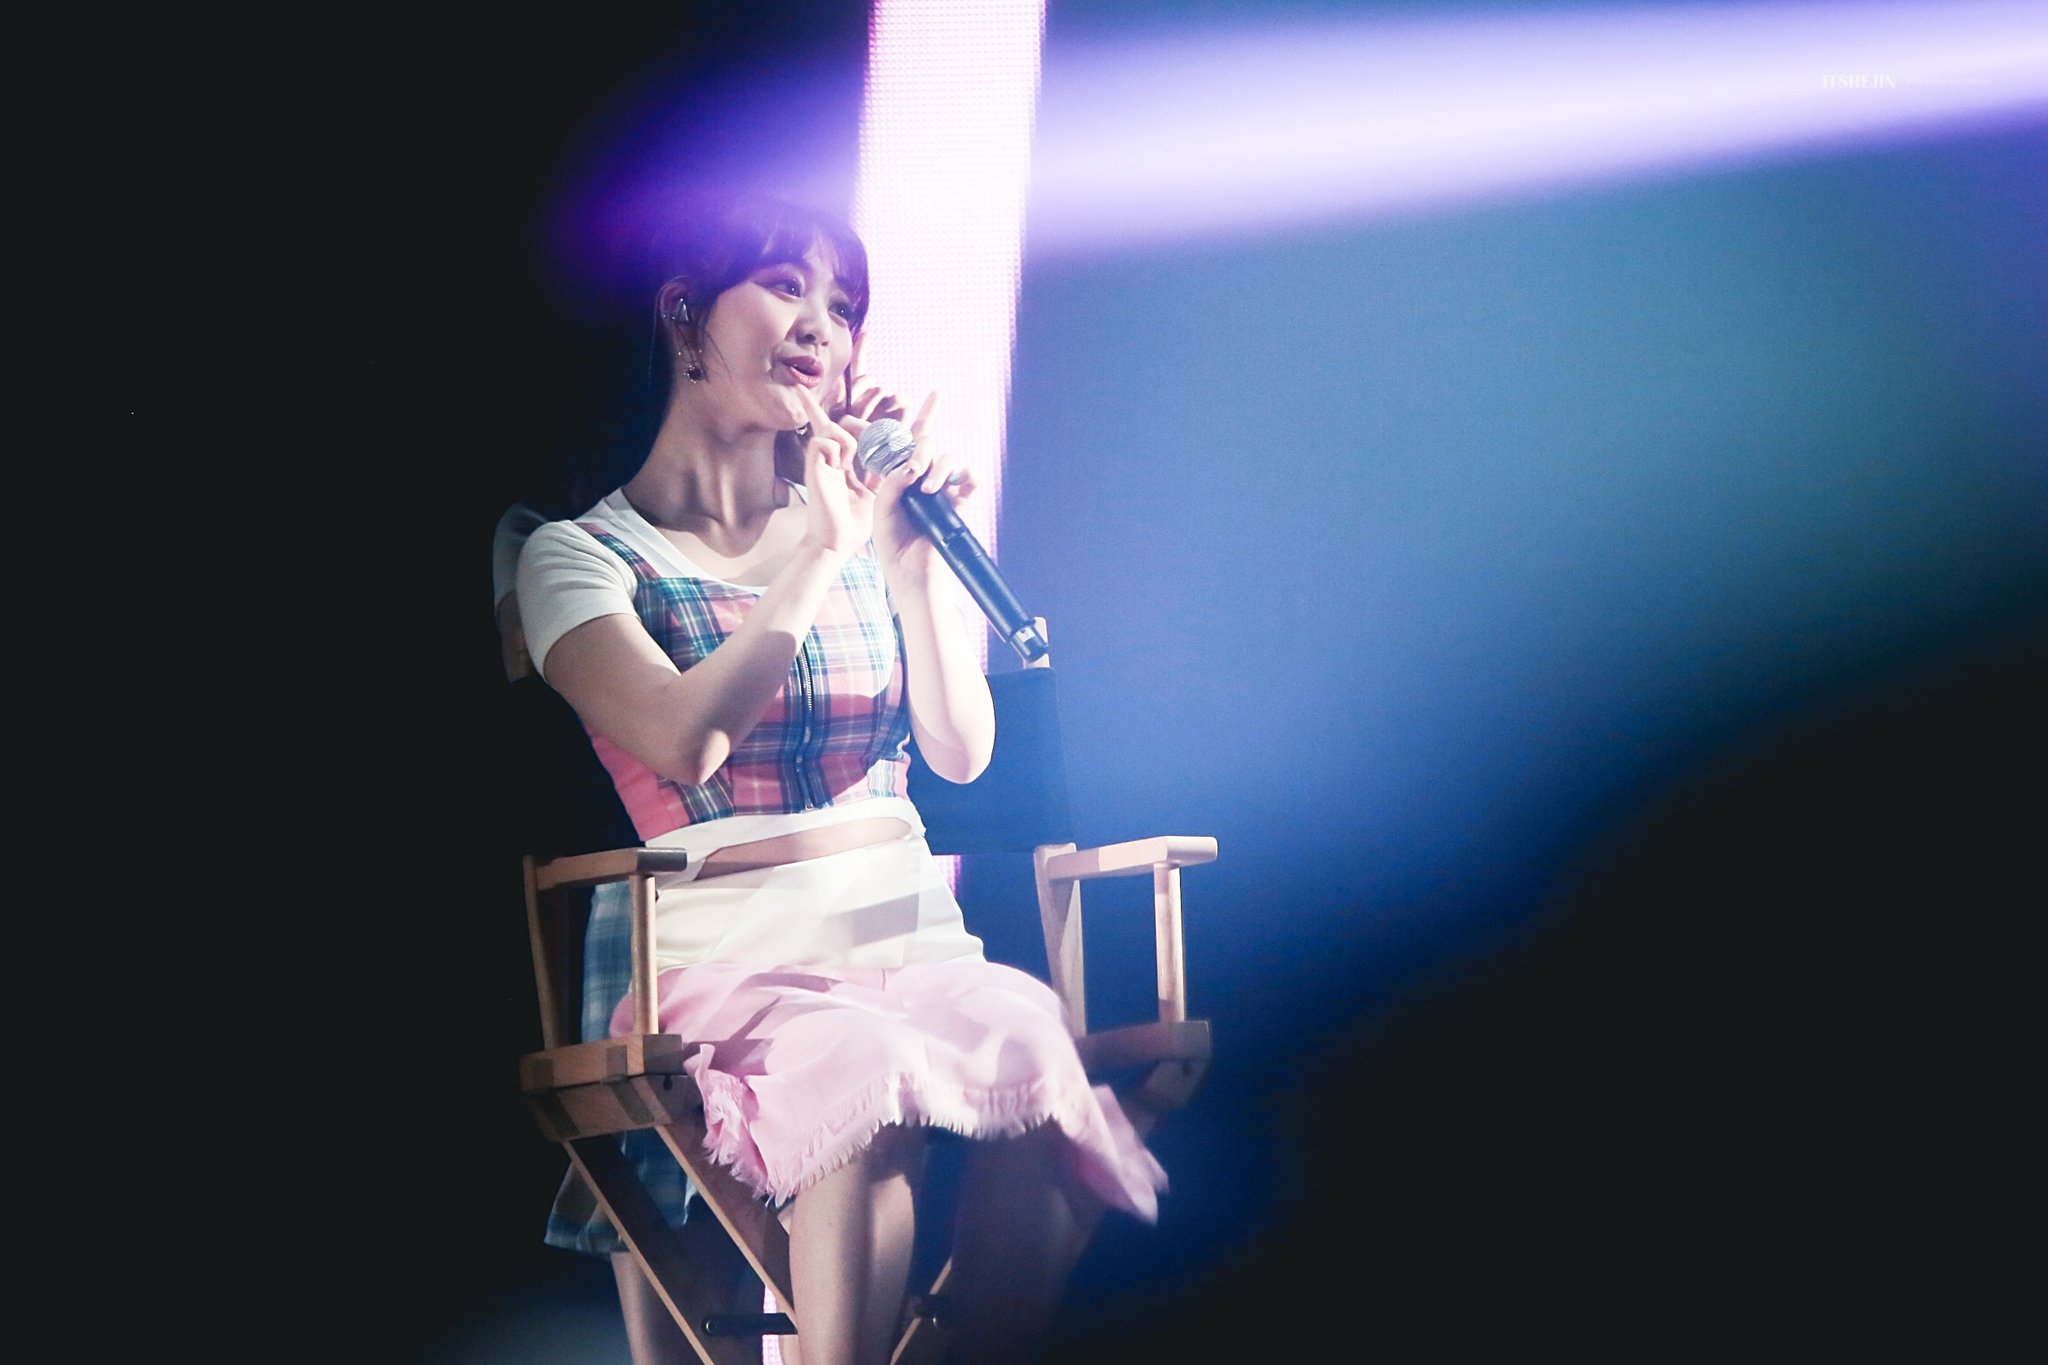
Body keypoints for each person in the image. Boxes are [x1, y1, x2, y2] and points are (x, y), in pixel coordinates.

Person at [513, 190, 1167, 1365]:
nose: (822, 324)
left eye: (844, 305)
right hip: (727, 960)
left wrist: (906, 563)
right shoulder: (580, 556)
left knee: (1029, 1044)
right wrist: (822, 547)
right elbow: (682, 742)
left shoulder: (863, 535)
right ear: (684, 313)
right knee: (867, 1073)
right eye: (784, 286)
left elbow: (960, 753)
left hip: (904, 939)